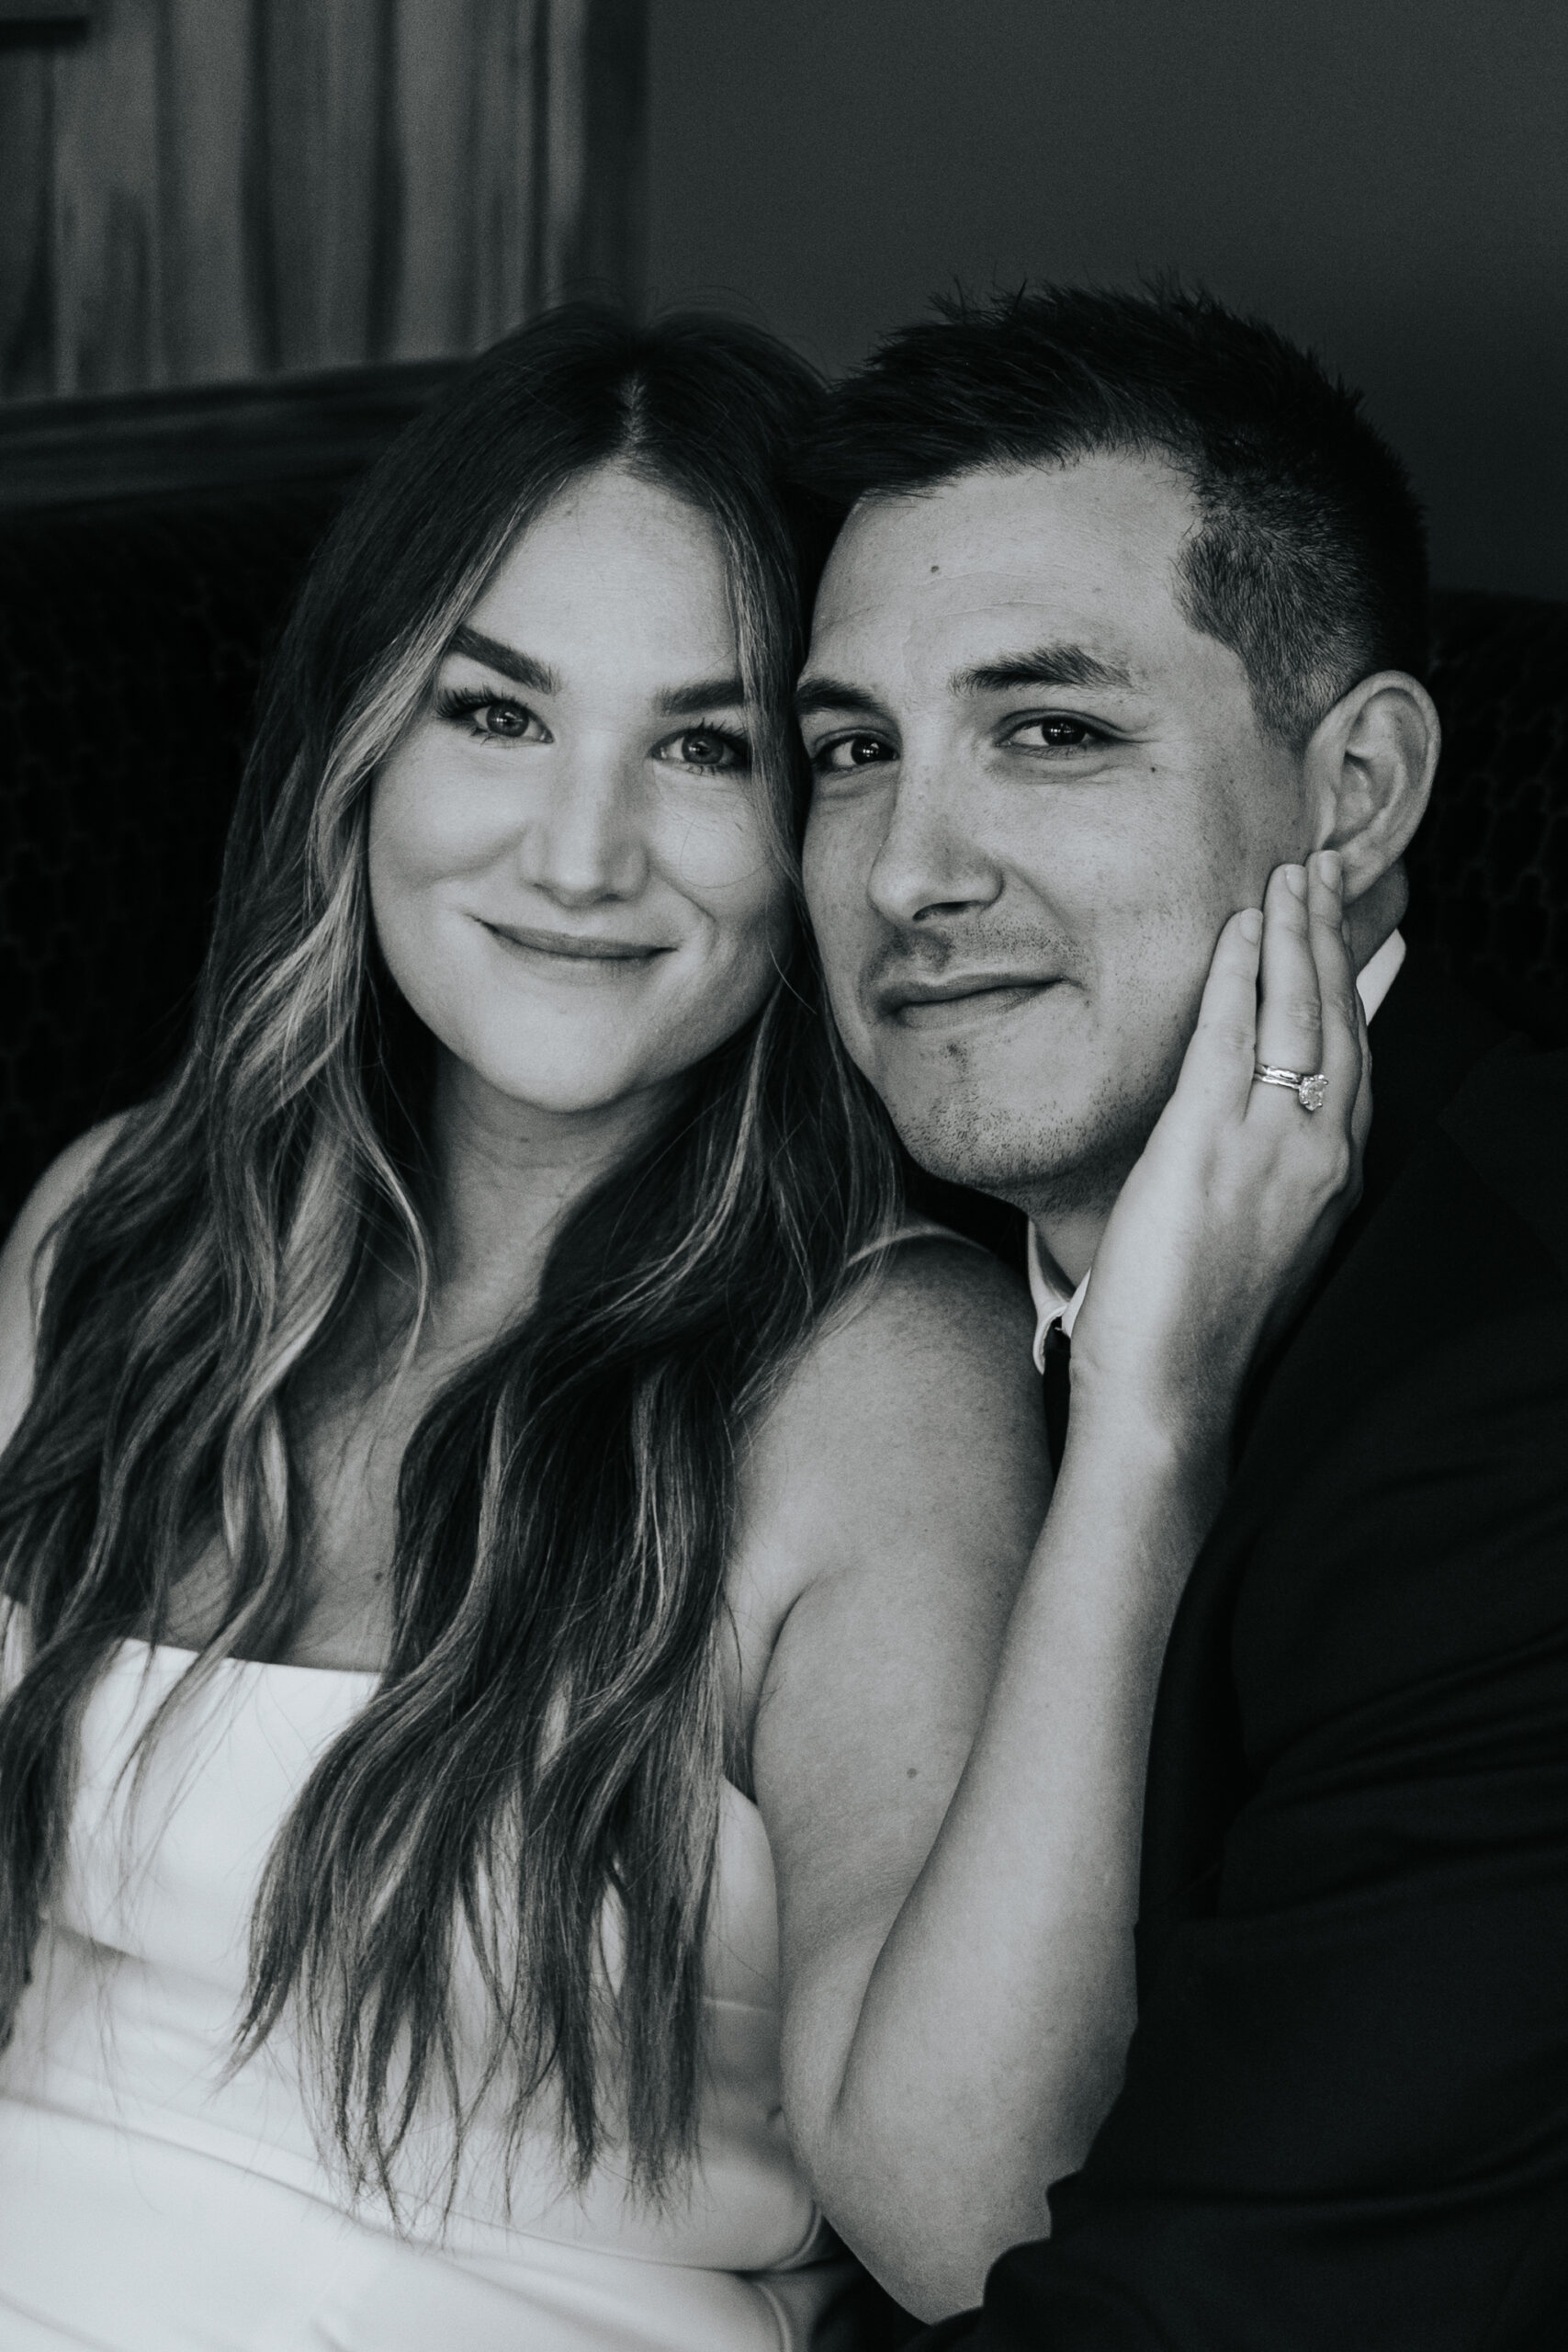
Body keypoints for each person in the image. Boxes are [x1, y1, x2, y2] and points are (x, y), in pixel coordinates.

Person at [0, 305, 1360, 2352]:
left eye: (706, 747)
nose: (577, 850)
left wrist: (1149, 1429)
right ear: (358, 739)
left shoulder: (869, 1382)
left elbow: (960, 2214)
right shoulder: (123, 1228)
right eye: (495, 713)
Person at [796, 284, 1568, 2349]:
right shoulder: (830, 1233)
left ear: (1356, 790)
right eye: (846, 752)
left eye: (1049, 729)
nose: (901, 872)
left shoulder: (1510, 1428)